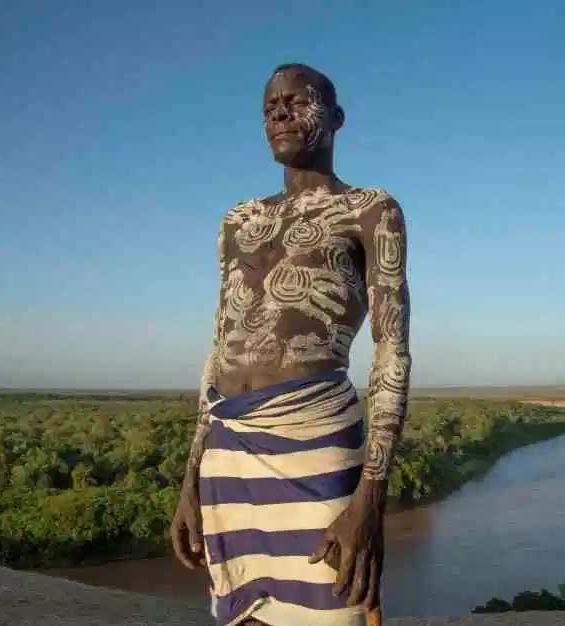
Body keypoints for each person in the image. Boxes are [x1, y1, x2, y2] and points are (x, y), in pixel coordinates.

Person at [169, 62, 412, 626]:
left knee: (336, 605)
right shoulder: (238, 220)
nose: (279, 112)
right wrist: (191, 480)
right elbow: (219, 346)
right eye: (269, 106)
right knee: (244, 616)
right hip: (229, 447)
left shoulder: (370, 210)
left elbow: (391, 349)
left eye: (296, 101)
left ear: (337, 118)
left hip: (317, 440)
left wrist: (370, 498)